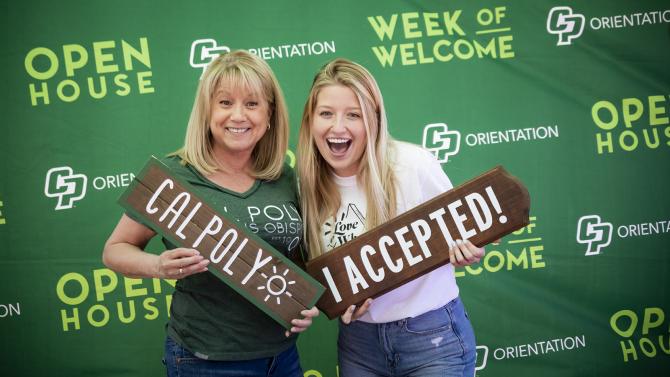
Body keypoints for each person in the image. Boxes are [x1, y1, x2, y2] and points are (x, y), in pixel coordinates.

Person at [103, 50, 318, 377]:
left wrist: (303, 299)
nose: (238, 116)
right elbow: (114, 250)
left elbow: (297, 259)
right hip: (205, 360)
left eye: (252, 103)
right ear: (207, 111)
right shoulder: (173, 176)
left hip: (282, 356)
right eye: (225, 102)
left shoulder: (285, 178)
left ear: (270, 114)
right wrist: (158, 266)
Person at [297, 58, 484, 377]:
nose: (337, 127)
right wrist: (338, 303)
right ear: (311, 120)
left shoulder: (413, 165)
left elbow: (467, 236)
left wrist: (470, 250)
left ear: (374, 120)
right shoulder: (305, 185)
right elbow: (323, 278)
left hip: (431, 336)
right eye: (326, 113)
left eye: (353, 115)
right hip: (359, 344)